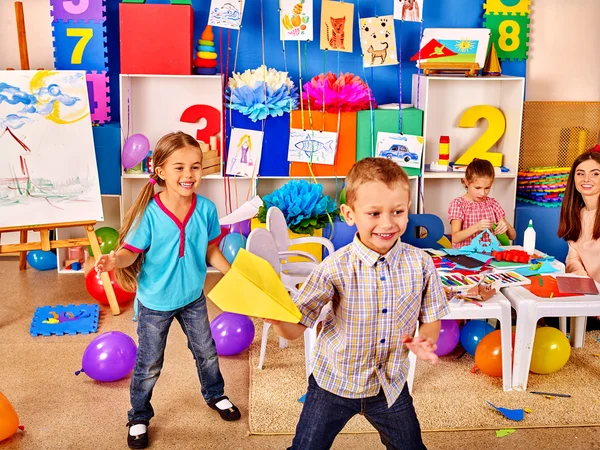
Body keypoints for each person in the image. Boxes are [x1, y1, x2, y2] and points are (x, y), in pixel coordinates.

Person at [267, 157, 450, 450]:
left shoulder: (422, 264)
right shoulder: (334, 267)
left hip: (388, 385)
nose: (387, 223)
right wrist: (277, 320)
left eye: (398, 211)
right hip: (333, 383)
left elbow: (431, 318)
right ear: (349, 214)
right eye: (374, 213)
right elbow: (295, 328)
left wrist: (425, 340)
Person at [95, 132, 240, 449]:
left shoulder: (206, 209)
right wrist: (113, 260)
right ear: (159, 170)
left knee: (207, 353)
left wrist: (233, 275)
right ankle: (138, 416)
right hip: (155, 303)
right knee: (149, 364)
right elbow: (130, 252)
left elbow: (211, 251)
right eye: (179, 167)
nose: (189, 175)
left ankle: (215, 394)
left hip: (192, 298)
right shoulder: (149, 213)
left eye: (195, 167)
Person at [448, 159, 516, 248]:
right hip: (466, 256)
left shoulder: (492, 204)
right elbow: (455, 238)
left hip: (491, 255)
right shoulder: (458, 204)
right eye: (478, 188)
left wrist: (506, 225)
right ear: (467, 182)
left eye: (487, 188)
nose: (483, 193)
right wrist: (476, 227)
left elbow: (512, 236)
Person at [558, 147, 600, 283]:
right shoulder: (577, 214)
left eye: (595, 174)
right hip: (591, 294)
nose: (586, 179)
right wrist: (579, 273)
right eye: (580, 173)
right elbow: (573, 258)